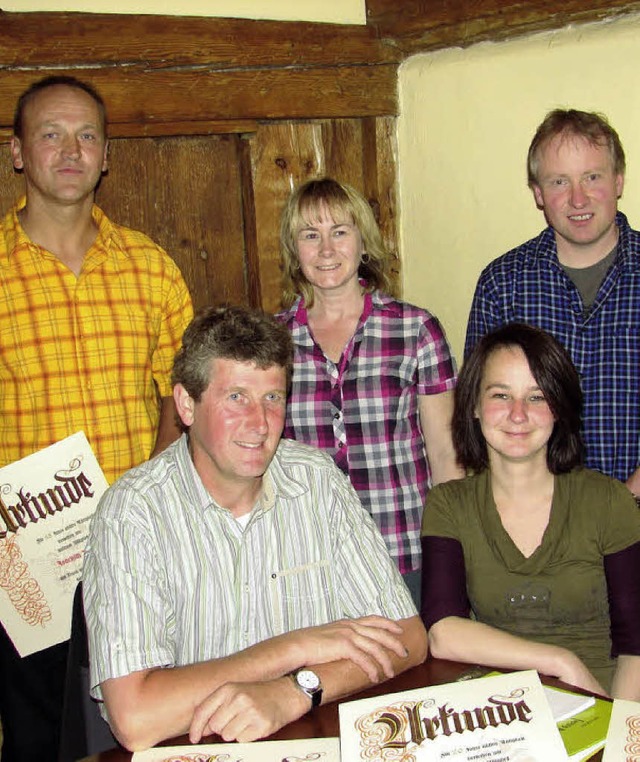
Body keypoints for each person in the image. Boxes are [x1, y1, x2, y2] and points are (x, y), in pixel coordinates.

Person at [83, 305, 427, 752]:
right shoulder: (132, 513)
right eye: (236, 397)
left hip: (307, 739)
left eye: (273, 398)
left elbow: (408, 637)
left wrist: (298, 689)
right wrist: (292, 649)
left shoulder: (317, 481)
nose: (260, 423)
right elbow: (136, 717)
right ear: (187, 404)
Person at [0, 76, 193, 762]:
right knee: (39, 737)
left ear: (107, 154)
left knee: (144, 735)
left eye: (86, 136)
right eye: (50, 134)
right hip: (24, 569)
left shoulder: (151, 268)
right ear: (19, 152)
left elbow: (185, 395)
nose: (70, 151)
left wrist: (154, 491)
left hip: (138, 552)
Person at [421, 323, 640, 699]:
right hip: (501, 715)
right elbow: (443, 632)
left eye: (537, 397)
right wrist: (559, 661)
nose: (518, 414)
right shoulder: (448, 504)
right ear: (473, 405)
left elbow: (636, 647)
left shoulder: (608, 501)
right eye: (501, 395)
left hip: (604, 702)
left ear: (560, 408)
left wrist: (621, 730)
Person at [276, 177, 462, 605]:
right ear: (294, 251)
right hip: (310, 561)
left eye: (340, 232)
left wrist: (452, 554)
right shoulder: (272, 341)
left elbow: (446, 458)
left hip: (405, 554)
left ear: (364, 242)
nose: (326, 250)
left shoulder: (415, 330)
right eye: (310, 235)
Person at [465, 109, 640, 496]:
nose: (578, 198)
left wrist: (625, 501)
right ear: (539, 194)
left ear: (618, 181)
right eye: (559, 181)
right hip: (534, 520)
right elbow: (481, 410)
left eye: (592, 177)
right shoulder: (502, 284)